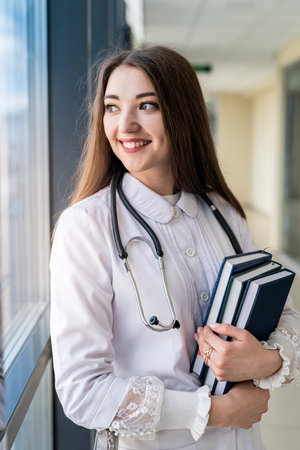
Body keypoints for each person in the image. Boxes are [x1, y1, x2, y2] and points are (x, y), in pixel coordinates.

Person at [50, 46, 300, 450]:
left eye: (146, 105)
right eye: (112, 108)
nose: (125, 124)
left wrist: (266, 360)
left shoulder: (222, 211)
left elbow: (287, 314)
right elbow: (83, 390)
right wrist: (217, 411)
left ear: (182, 114)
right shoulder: (85, 228)